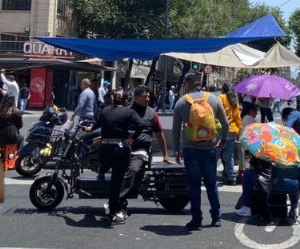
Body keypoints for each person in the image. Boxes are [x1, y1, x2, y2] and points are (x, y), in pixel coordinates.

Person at [172, 73, 230, 231]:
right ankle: (216, 217)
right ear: (200, 83)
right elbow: (225, 123)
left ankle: (196, 219)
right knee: (211, 184)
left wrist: (176, 149)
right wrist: (223, 139)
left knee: (194, 186)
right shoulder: (213, 99)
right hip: (209, 149)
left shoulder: (181, 102)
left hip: (190, 151)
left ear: (188, 84)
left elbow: (176, 129)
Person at [88, 90, 150, 225]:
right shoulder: (129, 112)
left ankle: (102, 171)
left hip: (104, 149)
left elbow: (96, 125)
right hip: (119, 150)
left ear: (112, 100)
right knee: (117, 181)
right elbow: (141, 125)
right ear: (126, 101)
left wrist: (89, 129)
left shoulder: (104, 110)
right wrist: (131, 139)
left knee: (100, 164)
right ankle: (112, 211)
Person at [119, 86, 173, 216]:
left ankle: (118, 201)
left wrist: (165, 154)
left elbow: (160, 134)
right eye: (145, 96)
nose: (148, 98)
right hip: (125, 148)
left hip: (141, 151)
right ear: (136, 97)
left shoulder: (152, 113)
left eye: (148, 96)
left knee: (133, 169)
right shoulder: (127, 112)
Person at [219, 83, 242, 185]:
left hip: (222, 129)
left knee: (215, 154)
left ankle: (208, 176)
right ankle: (231, 178)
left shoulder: (221, 97)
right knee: (229, 156)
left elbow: (216, 112)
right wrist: (239, 130)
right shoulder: (234, 99)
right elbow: (237, 116)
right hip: (232, 130)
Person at [0, 94, 22, 171]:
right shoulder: (17, 112)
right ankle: (15, 155)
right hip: (12, 137)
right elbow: (20, 125)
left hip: (1, 136)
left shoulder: (1, 110)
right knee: (21, 138)